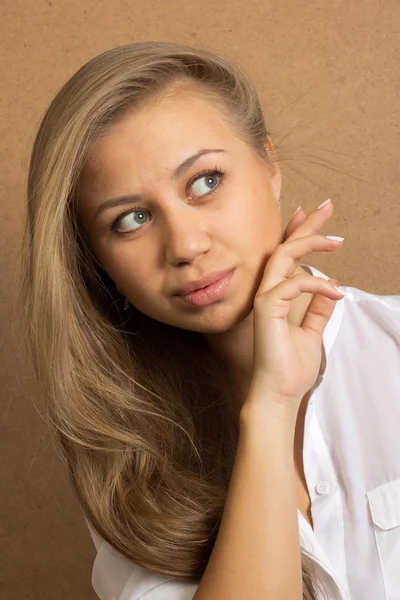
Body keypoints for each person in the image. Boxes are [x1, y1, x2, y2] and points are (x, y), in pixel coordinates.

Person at [19, 41, 400, 600]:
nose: (186, 245)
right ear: (97, 262)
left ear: (269, 165)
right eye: (131, 219)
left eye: (205, 182)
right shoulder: (128, 462)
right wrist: (271, 408)